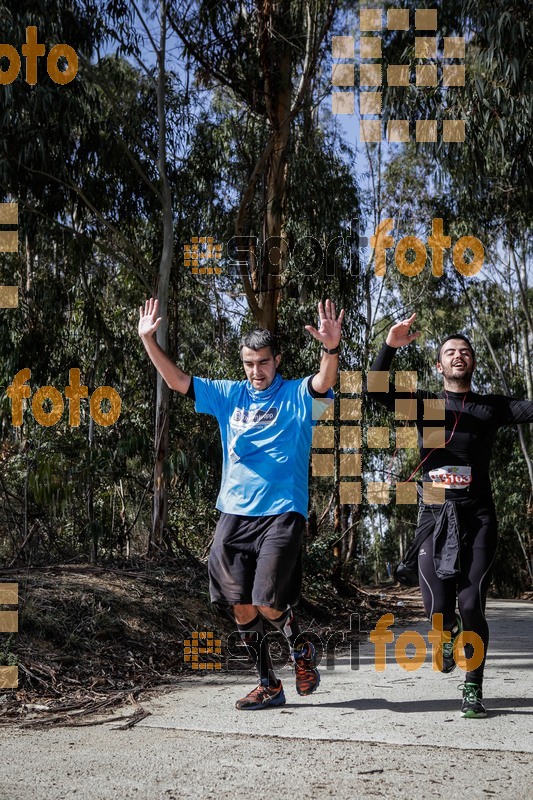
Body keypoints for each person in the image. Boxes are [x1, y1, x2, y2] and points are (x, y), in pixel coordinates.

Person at [138, 297, 344, 710]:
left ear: (276, 360)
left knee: (268, 601)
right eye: (249, 363)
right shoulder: (228, 395)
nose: (256, 371)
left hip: (283, 512)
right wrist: (148, 341)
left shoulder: (296, 395)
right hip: (234, 514)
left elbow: (323, 382)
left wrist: (331, 349)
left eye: (263, 363)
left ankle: (299, 648)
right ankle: (271, 681)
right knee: (241, 606)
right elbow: (179, 381)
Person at [366, 313, 533, 718]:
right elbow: (374, 389)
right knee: (438, 608)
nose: (458, 356)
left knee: (472, 602)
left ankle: (472, 688)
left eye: (464, 352)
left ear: (472, 363)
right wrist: (389, 344)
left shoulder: (491, 407)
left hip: (478, 516)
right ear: (439, 366)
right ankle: (447, 633)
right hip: (436, 512)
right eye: (449, 352)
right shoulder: (424, 404)